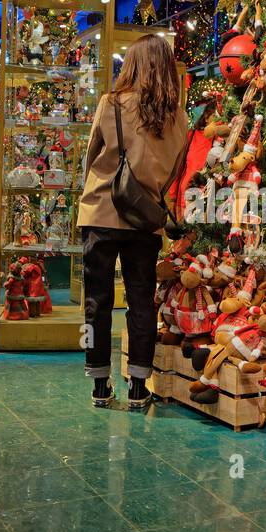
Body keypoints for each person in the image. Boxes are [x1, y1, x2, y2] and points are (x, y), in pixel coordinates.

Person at [77, 35, 187, 410]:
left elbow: (91, 154)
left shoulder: (111, 103)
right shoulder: (177, 116)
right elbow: (174, 171)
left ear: (133, 63)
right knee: (141, 302)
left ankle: (99, 384)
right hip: (145, 219)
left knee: (97, 302)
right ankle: (139, 387)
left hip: (101, 211)